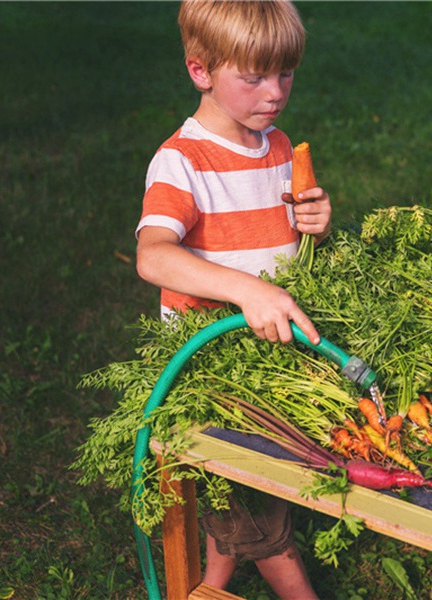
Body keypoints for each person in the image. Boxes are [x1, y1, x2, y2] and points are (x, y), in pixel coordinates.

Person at [135, 1, 327, 597]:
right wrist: (248, 290)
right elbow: (153, 255)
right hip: (209, 369)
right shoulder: (182, 161)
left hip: (266, 357)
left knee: (239, 491)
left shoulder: (275, 144)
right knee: (256, 512)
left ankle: (208, 588)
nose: (275, 92)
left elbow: (271, 245)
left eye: (286, 73)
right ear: (201, 71)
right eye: (254, 77)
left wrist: (313, 222)